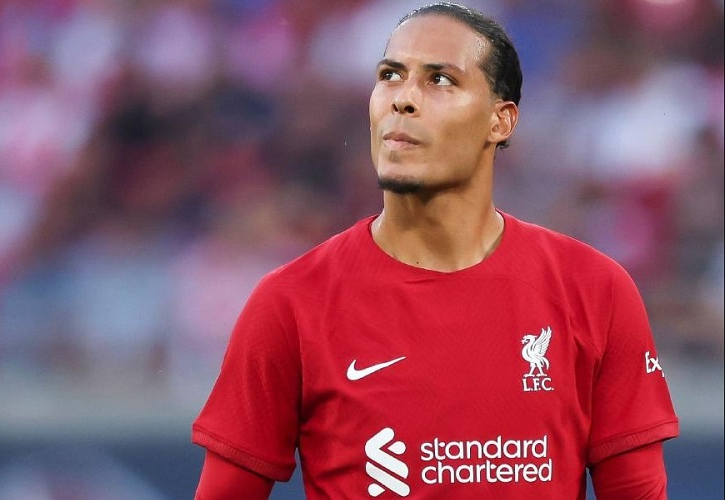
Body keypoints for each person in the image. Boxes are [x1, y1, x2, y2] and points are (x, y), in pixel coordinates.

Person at [191, 2, 679, 498]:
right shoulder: (291, 302)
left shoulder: (594, 290)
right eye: (390, 76)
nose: (403, 99)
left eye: (440, 80)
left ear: (500, 121)